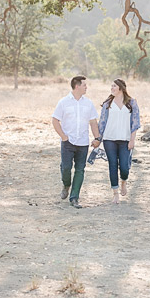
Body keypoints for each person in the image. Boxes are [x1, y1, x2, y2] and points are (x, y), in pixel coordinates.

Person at [51, 76, 100, 209]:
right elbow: (55, 120)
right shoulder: (63, 102)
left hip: (83, 142)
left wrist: (97, 138)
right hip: (68, 142)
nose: (86, 87)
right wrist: (63, 136)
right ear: (77, 86)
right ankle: (66, 184)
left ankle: (74, 198)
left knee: (80, 170)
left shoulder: (88, 103)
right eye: (84, 85)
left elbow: (93, 122)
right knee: (66, 168)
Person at [97, 78, 141, 204]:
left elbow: (135, 123)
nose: (112, 88)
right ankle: (115, 193)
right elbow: (102, 123)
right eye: (111, 86)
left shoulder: (131, 103)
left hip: (125, 140)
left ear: (121, 88)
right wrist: (98, 139)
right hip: (109, 139)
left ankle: (123, 181)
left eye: (114, 86)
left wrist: (132, 140)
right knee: (112, 165)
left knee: (124, 167)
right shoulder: (108, 103)